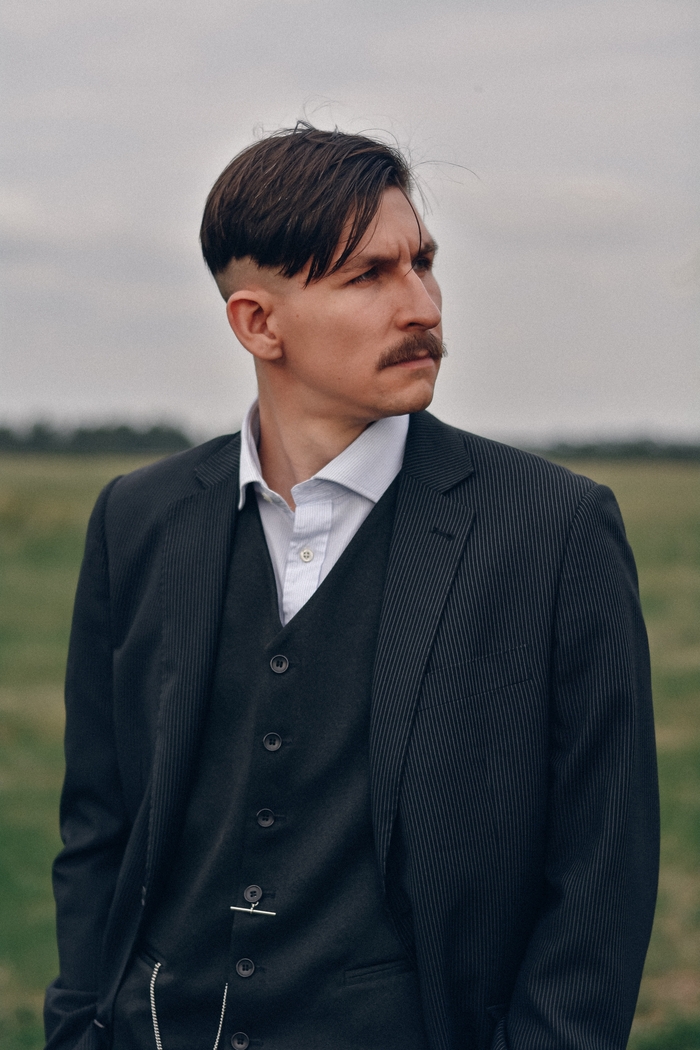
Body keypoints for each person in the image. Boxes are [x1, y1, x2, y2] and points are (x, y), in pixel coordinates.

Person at [45, 124, 659, 1050]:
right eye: (368, 275)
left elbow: (602, 871)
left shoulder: (556, 528)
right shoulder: (138, 518)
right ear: (258, 323)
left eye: (423, 263)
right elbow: (98, 827)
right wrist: (77, 1029)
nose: (421, 306)